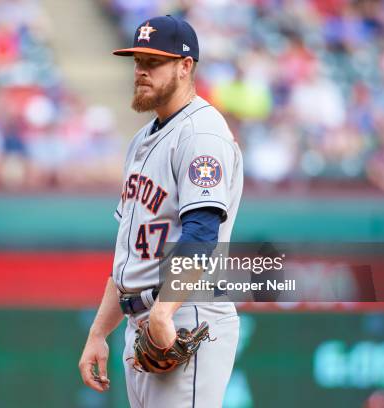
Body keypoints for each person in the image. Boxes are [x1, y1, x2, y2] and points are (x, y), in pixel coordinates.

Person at [78, 15, 244, 407]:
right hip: (144, 319)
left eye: (154, 62)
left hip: (186, 313)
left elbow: (201, 236)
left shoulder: (201, 134)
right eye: (138, 61)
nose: (141, 71)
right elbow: (129, 258)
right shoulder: (141, 140)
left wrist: (164, 312)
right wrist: (98, 333)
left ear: (186, 67)